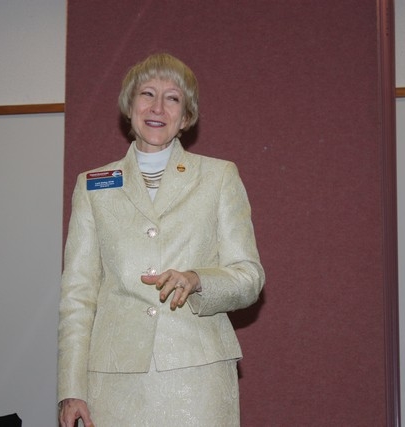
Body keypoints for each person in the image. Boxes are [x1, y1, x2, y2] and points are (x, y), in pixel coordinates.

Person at [57, 52, 265, 427]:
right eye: (147, 94)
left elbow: (249, 278)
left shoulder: (219, 177)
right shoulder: (92, 185)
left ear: (185, 117)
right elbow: (78, 295)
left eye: (172, 98)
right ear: (129, 107)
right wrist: (72, 389)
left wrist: (198, 279)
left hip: (198, 382)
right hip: (114, 383)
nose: (157, 107)